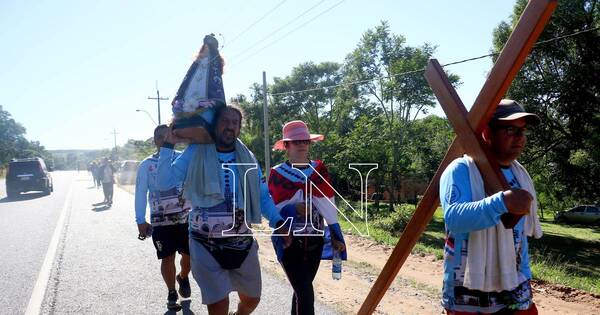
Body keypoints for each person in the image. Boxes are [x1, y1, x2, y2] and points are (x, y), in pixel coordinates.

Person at [158, 105, 290, 315]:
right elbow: (164, 181)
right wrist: (168, 146)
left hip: (242, 243)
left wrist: (278, 221)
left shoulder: (248, 157)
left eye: (234, 123)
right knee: (218, 306)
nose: (229, 126)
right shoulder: (195, 152)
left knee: (252, 299)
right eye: (224, 121)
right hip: (204, 244)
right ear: (215, 125)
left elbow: (262, 195)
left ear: (239, 128)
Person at [439, 99, 543, 314]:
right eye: (511, 130)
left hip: (514, 283)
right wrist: (502, 201)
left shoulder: (520, 175)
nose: (520, 138)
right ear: (487, 132)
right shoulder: (460, 170)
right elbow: (455, 220)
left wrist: (525, 274)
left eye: (523, 131)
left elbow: (519, 236)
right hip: (467, 288)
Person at [268, 120, 347, 315]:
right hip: (288, 241)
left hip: (315, 242)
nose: (302, 144)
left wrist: (336, 234)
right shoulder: (277, 174)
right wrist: (293, 208)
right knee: (305, 294)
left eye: (305, 140)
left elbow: (328, 203)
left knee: (301, 291)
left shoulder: (319, 170)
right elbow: (272, 209)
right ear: (286, 145)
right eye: (296, 141)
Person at [135, 124, 193, 311]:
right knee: (167, 258)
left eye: (168, 136)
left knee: (189, 256)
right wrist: (140, 220)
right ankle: (171, 292)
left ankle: (183, 277)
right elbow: (140, 193)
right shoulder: (146, 165)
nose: (164, 139)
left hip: (186, 220)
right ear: (155, 140)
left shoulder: (182, 160)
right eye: (160, 137)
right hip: (161, 223)